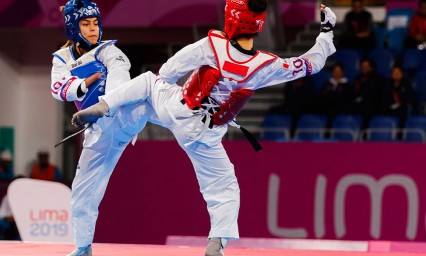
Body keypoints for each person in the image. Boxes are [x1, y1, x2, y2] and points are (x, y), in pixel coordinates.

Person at [72, 1, 337, 255]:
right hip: (204, 135)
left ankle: (103, 106)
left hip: (177, 107)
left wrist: (166, 85)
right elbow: (311, 63)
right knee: (224, 188)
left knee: (148, 82)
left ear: (231, 20)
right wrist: (326, 32)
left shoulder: (213, 45)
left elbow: (169, 69)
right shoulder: (267, 66)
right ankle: (216, 245)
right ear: (258, 25)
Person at [50, 1, 157, 255]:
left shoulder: (109, 51)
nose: (93, 29)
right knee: (81, 191)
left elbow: (121, 73)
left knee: (154, 89)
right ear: (73, 28)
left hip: (124, 115)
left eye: (96, 23)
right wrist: (84, 83)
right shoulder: (62, 58)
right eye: (86, 24)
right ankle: (84, 247)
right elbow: (58, 89)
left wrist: (107, 104)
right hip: (98, 132)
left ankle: (197, 115)